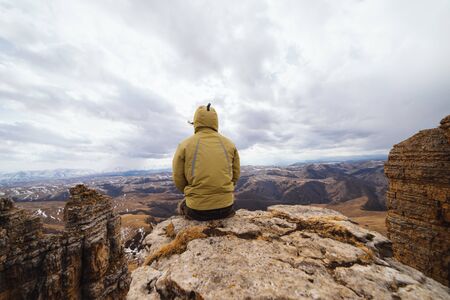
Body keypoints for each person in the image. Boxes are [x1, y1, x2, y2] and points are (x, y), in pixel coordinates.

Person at [172, 103, 240, 221]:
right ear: (215, 122)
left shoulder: (185, 145)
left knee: (182, 206)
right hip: (226, 207)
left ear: (196, 122)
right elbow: (236, 174)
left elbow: (178, 177)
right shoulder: (229, 144)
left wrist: (191, 192)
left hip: (197, 210)